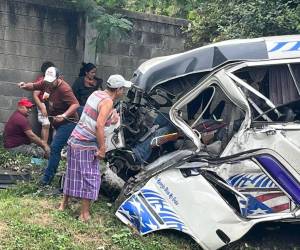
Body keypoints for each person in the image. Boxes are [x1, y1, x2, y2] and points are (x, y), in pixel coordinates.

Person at [59, 74, 132, 222]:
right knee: (91, 177)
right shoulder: (108, 102)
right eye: (123, 89)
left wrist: (111, 118)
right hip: (86, 143)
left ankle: (63, 205)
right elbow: (99, 125)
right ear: (117, 89)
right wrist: (102, 148)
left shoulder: (96, 93)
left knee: (72, 172)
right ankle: (84, 214)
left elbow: (94, 115)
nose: (123, 92)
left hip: (75, 138)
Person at [19, 67, 80, 186]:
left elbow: (75, 104)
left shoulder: (64, 88)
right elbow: (34, 86)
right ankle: (65, 174)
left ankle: (46, 179)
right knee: (63, 149)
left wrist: (64, 115)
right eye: (47, 81)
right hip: (56, 122)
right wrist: (24, 85)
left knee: (55, 147)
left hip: (68, 122)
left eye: (51, 82)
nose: (49, 84)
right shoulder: (46, 83)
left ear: (59, 78)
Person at [32, 61, 55, 143]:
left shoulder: (55, 80)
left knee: (56, 125)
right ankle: (44, 148)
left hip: (53, 104)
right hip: (43, 103)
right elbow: (35, 95)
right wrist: (42, 108)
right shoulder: (41, 80)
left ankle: (54, 148)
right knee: (46, 124)